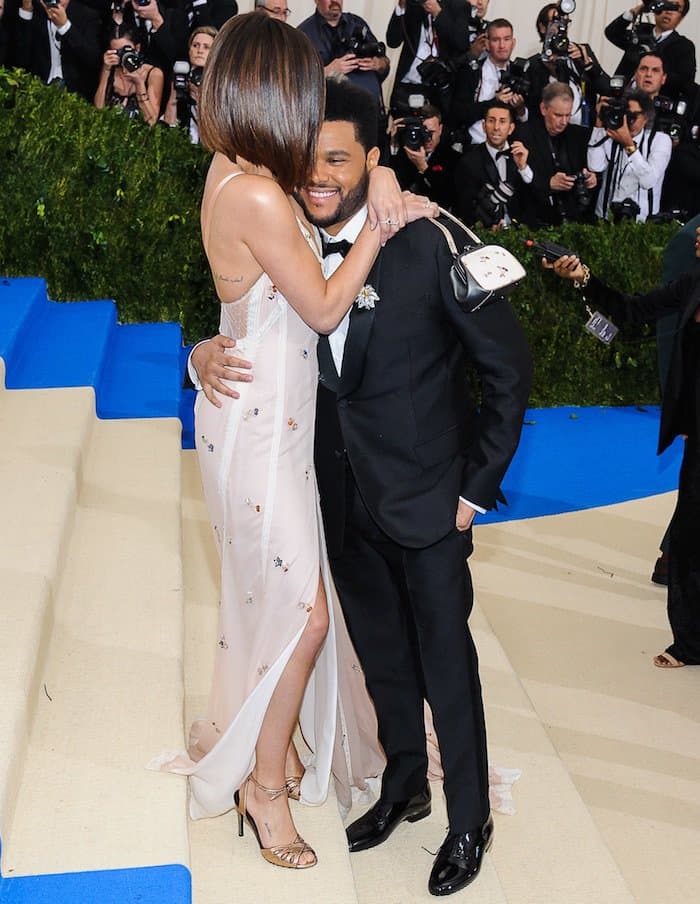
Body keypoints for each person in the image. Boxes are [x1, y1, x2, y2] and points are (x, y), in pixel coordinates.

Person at [191, 75, 533, 896]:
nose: (321, 177)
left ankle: (467, 824)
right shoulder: (290, 232)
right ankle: (404, 784)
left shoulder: (427, 235)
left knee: (447, 664)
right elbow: (250, 315)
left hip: (428, 500)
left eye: (342, 161)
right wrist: (202, 351)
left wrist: (473, 489)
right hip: (334, 499)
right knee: (381, 659)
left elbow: (509, 372)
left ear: (374, 159)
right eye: (310, 160)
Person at [156, 13, 436, 872]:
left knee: (276, 604)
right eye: (302, 87)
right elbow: (318, 306)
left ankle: (276, 748)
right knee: (305, 617)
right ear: (271, 91)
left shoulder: (236, 170)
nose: (310, 103)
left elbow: (246, 299)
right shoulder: (252, 191)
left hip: (264, 418)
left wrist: (381, 170)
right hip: (259, 434)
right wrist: (385, 227)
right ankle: (262, 783)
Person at [544, 226, 700, 669]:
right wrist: (583, 278)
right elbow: (632, 311)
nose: (698, 235)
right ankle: (691, 643)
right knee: (689, 541)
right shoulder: (692, 284)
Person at [515, 81, 596, 225]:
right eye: (558, 115)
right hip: (536, 220)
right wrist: (548, 183)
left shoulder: (578, 135)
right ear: (543, 109)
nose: (564, 121)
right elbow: (517, 183)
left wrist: (591, 177)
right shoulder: (523, 135)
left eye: (568, 115)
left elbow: (589, 169)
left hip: (574, 219)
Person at [587, 88, 672, 222]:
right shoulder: (611, 134)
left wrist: (628, 144)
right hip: (605, 219)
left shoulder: (660, 141)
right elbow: (595, 165)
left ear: (646, 117)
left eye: (633, 116)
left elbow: (648, 181)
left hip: (642, 224)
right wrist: (599, 123)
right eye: (625, 114)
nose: (628, 121)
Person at [453, 99, 535, 226]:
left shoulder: (522, 154)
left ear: (511, 128)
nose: (496, 127)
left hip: (522, 232)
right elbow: (465, 207)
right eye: (491, 121)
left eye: (502, 121)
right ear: (484, 126)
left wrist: (523, 168)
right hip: (485, 235)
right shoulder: (469, 161)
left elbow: (534, 198)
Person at [527, 2, 609, 127]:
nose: (561, 27)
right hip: (551, 134)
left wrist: (588, 65)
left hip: (584, 130)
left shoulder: (581, 51)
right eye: (555, 22)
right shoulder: (534, 64)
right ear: (542, 27)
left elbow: (606, 89)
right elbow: (534, 105)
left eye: (565, 23)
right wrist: (551, 67)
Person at [449, 18, 528, 145]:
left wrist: (520, 109)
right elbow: (458, 114)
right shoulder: (471, 72)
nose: (502, 46)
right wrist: (493, 102)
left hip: (509, 147)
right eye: (496, 40)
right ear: (487, 43)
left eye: (506, 39)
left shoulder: (521, 72)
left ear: (513, 43)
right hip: (474, 145)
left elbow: (527, 118)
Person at [298, 0, 389, 106]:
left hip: (371, 109)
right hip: (331, 113)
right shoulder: (303, 34)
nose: (335, 1)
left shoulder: (357, 23)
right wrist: (327, 71)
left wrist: (378, 64)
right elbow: (298, 82)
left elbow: (385, 64)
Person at [604, 0, 695, 101]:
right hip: (621, 97)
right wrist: (639, 9)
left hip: (653, 107)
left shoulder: (684, 46)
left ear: (681, 17)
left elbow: (686, 83)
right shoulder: (640, 32)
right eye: (665, 5)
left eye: (675, 8)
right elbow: (612, 33)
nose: (668, 11)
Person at [15, 0, 101, 101]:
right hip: (38, 88)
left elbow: (92, 59)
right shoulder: (37, 12)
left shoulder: (87, 15)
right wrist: (27, 10)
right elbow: (20, 58)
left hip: (74, 93)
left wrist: (65, 26)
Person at [389, 103, 461, 208]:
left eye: (431, 132)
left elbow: (446, 198)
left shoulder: (452, 158)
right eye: (423, 132)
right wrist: (393, 142)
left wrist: (424, 168)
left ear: (440, 129)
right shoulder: (403, 152)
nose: (428, 138)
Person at [94, 23, 164, 125]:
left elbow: (151, 121)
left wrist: (139, 84)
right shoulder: (110, 70)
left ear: (137, 48)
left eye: (125, 50)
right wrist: (105, 70)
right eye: (117, 51)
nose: (122, 55)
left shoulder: (154, 74)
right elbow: (98, 110)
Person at [162, 25, 215, 141]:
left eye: (206, 47)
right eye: (195, 45)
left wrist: (199, 102)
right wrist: (173, 98)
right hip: (180, 146)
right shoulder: (178, 76)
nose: (200, 51)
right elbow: (167, 131)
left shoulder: (219, 86)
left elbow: (215, 138)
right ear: (189, 50)